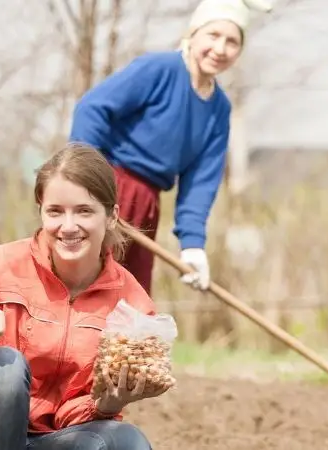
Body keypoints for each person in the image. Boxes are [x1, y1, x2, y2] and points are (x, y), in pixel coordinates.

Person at [0, 143, 175, 450]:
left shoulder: (131, 305)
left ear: (112, 216)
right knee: (5, 367)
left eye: (84, 211)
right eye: (55, 211)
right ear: (41, 212)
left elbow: (71, 423)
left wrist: (103, 407)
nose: (68, 226)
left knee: (129, 443)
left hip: (47, 441)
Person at [69, 0, 272, 295]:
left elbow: (200, 185)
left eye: (232, 42)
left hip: (147, 204)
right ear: (194, 33)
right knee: (84, 286)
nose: (220, 48)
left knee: (130, 300)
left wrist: (193, 246)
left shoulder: (219, 110)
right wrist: (84, 183)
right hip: (107, 187)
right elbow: (92, 109)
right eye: (213, 35)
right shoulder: (159, 69)